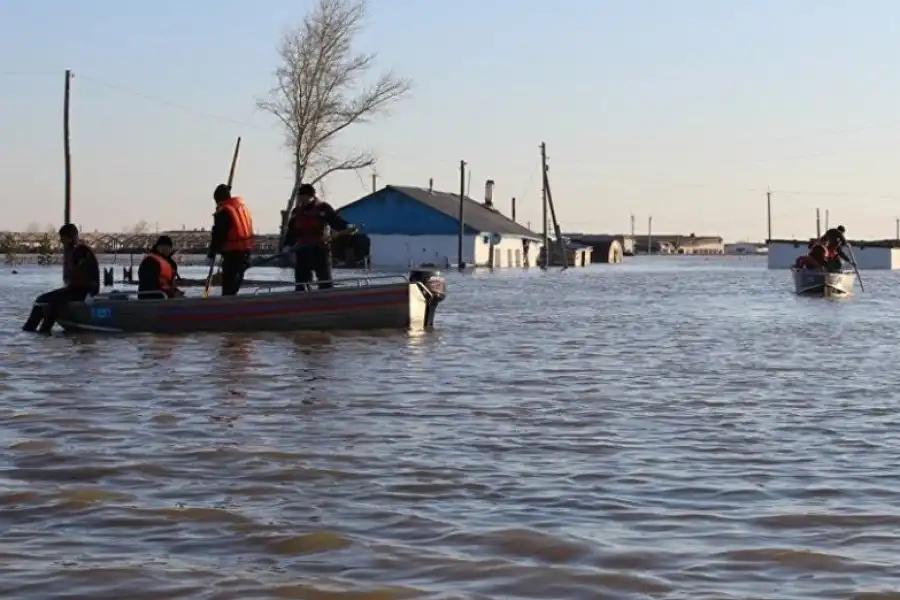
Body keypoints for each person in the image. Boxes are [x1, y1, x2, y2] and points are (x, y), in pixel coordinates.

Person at [22, 224, 99, 333]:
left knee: (51, 301)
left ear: (69, 238)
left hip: (84, 291)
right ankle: (35, 330)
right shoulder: (75, 251)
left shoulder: (80, 251)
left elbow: (83, 275)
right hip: (78, 289)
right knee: (44, 300)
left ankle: (41, 330)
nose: (61, 241)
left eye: (63, 238)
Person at [282, 183, 355, 291]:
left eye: (304, 197)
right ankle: (302, 296)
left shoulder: (323, 208)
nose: (301, 199)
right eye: (300, 197)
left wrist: (347, 226)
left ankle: (326, 296)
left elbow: (336, 221)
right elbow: (291, 232)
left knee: (325, 281)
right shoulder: (296, 212)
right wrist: (287, 245)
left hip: (320, 249)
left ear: (311, 196)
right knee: (301, 283)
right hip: (302, 250)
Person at [207, 184, 254, 296]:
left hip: (233, 254)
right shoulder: (241, 207)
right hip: (245, 252)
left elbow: (219, 234)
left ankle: (227, 301)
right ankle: (232, 300)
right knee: (235, 284)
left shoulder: (224, 212)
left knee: (229, 285)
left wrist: (212, 251)